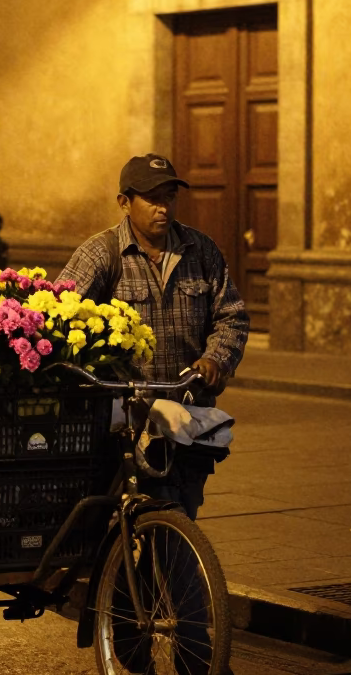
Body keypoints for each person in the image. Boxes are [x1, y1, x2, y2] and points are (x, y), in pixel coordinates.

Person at [59, 152, 250, 520]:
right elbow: (61, 320)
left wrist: (216, 358)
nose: (163, 208)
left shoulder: (201, 251)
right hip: (123, 417)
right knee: (114, 517)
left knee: (179, 514)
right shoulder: (100, 254)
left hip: (187, 411)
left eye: (169, 197)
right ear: (125, 203)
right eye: (152, 199)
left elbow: (232, 316)